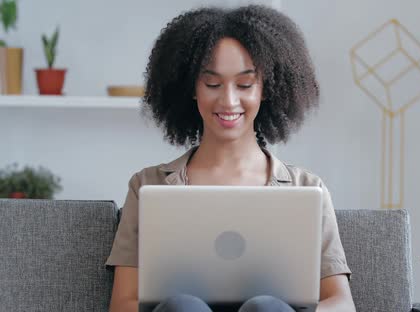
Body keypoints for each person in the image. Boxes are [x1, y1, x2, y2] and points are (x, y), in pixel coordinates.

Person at [106, 5, 355, 312]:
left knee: (265, 307)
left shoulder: (307, 189)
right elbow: (122, 304)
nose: (228, 100)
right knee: (182, 307)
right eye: (212, 84)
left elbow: (342, 303)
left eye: (245, 84)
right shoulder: (147, 185)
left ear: (267, 89)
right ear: (192, 88)